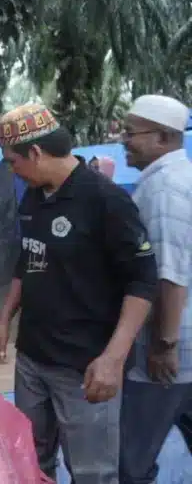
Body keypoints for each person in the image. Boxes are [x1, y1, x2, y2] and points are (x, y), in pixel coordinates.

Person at [0, 103, 157, 483]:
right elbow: (28, 257)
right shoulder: (33, 195)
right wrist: (4, 319)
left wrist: (113, 358)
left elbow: (143, 280)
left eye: (13, 162)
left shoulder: (106, 200)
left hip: (84, 367)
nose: (12, 171)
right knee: (29, 460)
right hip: (32, 360)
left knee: (91, 472)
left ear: (35, 152)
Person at [119, 95, 192, 483]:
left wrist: (164, 345)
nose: (124, 140)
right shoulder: (179, 177)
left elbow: (169, 274)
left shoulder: (165, 189)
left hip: (170, 352)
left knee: (131, 461)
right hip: (183, 345)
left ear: (163, 137)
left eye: (131, 133)